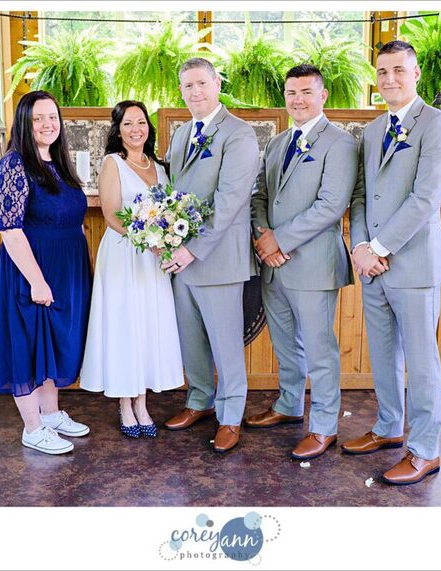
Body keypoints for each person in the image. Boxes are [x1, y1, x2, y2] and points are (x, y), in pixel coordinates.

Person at [340, 41, 441, 485]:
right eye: (382, 71)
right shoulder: (371, 132)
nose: (389, 79)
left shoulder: (438, 125)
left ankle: (425, 449)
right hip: (372, 265)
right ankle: (389, 428)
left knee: (423, 361)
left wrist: (381, 247)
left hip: (411, 264)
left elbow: (426, 198)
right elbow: (360, 196)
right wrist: (361, 247)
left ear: (416, 73)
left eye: (398, 70)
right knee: (384, 354)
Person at [246, 64, 358, 460]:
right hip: (273, 264)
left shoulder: (340, 143)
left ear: (323, 95)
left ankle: (324, 426)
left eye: (307, 92)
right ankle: (290, 405)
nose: (298, 100)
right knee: (284, 343)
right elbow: (259, 196)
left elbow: (332, 205)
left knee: (318, 348)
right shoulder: (277, 144)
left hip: (312, 264)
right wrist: (263, 237)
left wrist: (281, 239)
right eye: (292, 92)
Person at [161, 57, 259, 453]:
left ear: (217, 84)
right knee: (191, 339)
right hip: (180, 259)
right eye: (187, 86)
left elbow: (231, 200)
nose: (195, 92)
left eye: (202, 83)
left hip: (217, 258)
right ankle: (199, 400)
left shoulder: (239, 134)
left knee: (225, 344)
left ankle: (230, 416)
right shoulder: (182, 133)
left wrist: (192, 250)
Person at [0, 90, 92, 455]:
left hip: (66, 268)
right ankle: (32, 428)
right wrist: (36, 280)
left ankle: (50, 414)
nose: (48, 124)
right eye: (38, 118)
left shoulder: (60, 164)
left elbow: (72, 217)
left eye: (52, 117)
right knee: (30, 344)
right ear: (24, 123)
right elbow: (10, 230)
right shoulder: (14, 165)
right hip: (33, 269)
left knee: (52, 344)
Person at [79, 101, 184, 438]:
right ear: (118, 130)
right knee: (125, 327)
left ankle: (143, 402)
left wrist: (165, 239)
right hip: (125, 254)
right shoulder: (113, 163)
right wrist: (148, 239)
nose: (136, 129)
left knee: (147, 327)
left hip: (153, 261)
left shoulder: (161, 169)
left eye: (141, 122)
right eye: (128, 124)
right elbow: (111, 215)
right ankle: (126, 404)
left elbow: (168, 213)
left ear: (148, 128)